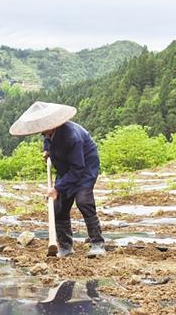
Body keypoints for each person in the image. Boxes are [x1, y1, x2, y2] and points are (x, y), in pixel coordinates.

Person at [10, 101, 105, 258]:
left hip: (84, 170)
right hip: (66, 169)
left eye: (43, 128)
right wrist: (47, 150)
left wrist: (57, 188)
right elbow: (48, 140)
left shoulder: (72, 137)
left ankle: (97, 244)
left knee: (83, 201)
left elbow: (77, 168)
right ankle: (66, 246)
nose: (41, 132)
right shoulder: (49, 132)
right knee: (59, 207)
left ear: (52, 124)